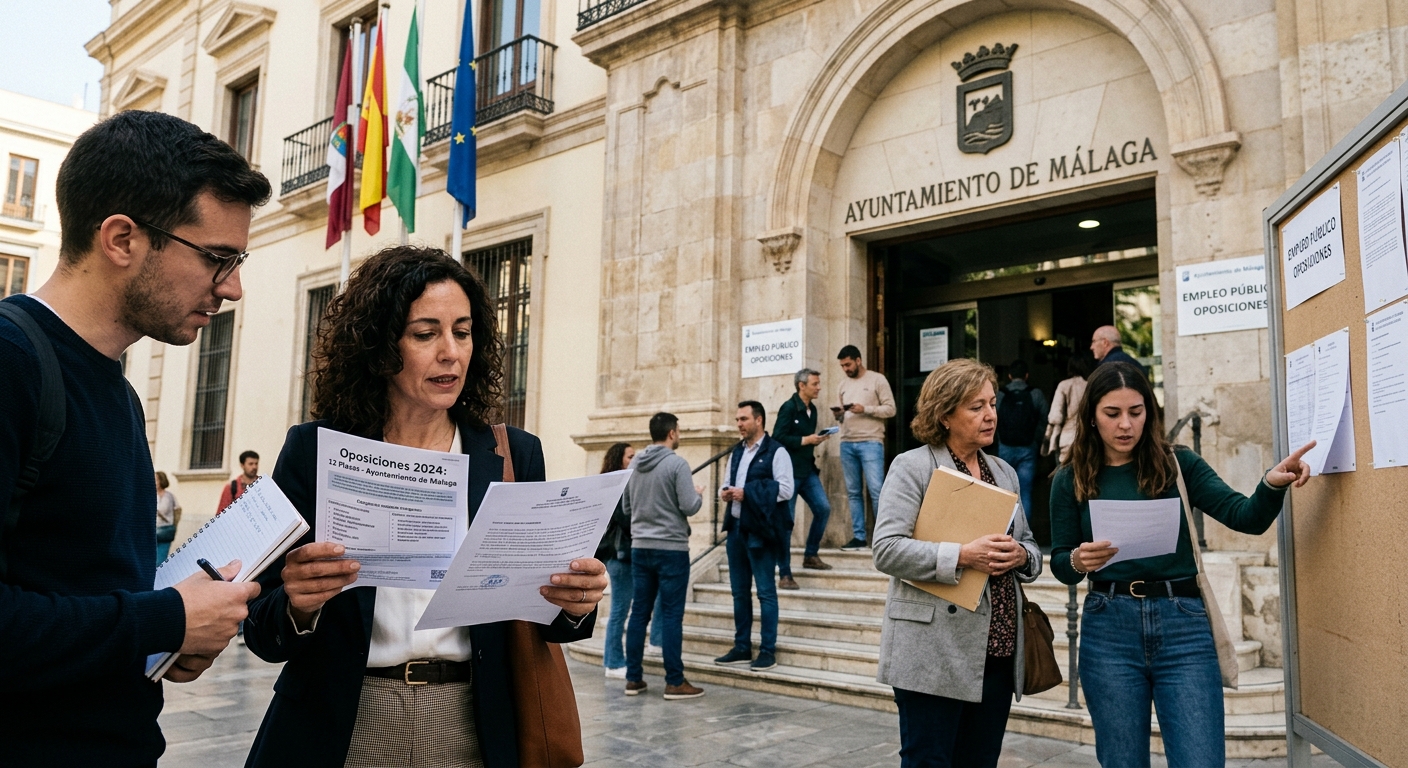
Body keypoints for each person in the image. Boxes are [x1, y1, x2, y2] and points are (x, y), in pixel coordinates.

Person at [242, 246, 606, 766]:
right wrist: (299, 604)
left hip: (475, 720)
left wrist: (576, 601)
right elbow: (260, 622)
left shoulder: (511, 453)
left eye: (462, 331)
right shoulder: (315, 449)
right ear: (379, 345)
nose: (451, 352)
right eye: (425, 333)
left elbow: (540, 613)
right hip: (341, 720)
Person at [0, 110, 267, 764]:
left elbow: (83, 588)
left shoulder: (116, 391)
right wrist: (166, 619)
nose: (232, 287)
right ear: (122, 239)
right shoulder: (11, 363)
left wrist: (174, 635)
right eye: (216, 258)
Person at [1050, 362, 1313, 767]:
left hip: (1183, 624)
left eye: (1136, 413)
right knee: (1122, 761)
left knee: (1200, 759)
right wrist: (1077, 559)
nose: (1125, 425)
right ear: (1091, 417)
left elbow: (1245, 516)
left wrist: (1271, 484)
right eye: (1112, 414)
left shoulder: (1178, 464)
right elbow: (1061, 564)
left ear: (1149, 414)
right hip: (1109, 627)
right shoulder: (1069, 479)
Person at [873, 358, 1042, 767]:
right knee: (929, 761)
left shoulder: (1003, 472)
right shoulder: (912, 466)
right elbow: (886, 549)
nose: (990, 415)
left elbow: (1032, 546)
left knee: (980, 761)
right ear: (945, 414)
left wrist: (1021, 556)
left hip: (998, 651)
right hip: (933, 651)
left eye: (992, 403)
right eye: (975, 406)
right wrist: (963, 555)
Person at [621, 412, 706, 700]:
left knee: (639, 614)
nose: (679, 435)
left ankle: (633, 678)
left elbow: (627, 508)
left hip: (640, 548)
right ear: (672, 433)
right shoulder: (677, 464)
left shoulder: (634, 465)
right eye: (679, 430)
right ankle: (674, 682)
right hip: (671, 549)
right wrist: (699, 494)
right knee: (670, 615)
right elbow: (689, 505)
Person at [713, 401, 794, 672]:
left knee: (766, 593)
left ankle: (767, 650)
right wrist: (725, 492)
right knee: (739, 592)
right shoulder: (737, 451)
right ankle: (742, 646)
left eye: (743, 419)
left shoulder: (777, 451)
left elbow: (786, 490)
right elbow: (726, 483)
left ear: (758, 420)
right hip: (735, 529)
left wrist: (747, 492)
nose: (739, 424)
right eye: (737, 419)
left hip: (760, 531)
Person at [596, 442, 664, 679]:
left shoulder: (628, 483)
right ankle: (613, 663)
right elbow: (625, 519)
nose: (635, 460)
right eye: (630, 456)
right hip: (620, 556)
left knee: (655, 597)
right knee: (619, 611)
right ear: (619, 460)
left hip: (632, 554)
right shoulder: (615, 486)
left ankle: (657, 642)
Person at [833, 345, 895, 550]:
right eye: (842, 366)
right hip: (847, 442)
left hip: (871, 442)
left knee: (877, 490)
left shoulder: (877, 379)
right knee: (853, 492)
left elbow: (891, 409)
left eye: (848, 364)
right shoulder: (842, 384)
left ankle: (883, 538)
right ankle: (859, 537)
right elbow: (841, 417)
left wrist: (865, 409)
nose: (846, 369)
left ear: (858, 360)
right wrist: (840, 414)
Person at [773, 367, 834, 576]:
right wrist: (805, 440)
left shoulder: (813, 410)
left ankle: (810, 554)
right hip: (789, 474)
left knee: (823, 508)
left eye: (818, 383)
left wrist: (815, 440)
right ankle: (784, 571)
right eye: (814, 384)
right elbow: (777, 437)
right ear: (802, 386)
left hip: (807, 471)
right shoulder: (788, 408)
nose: (819, 388)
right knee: (787, 522)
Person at [995, 359, 1048, 523]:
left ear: (1010, 376)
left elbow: (992, 418)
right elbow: (1046, 418)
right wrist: (1036, 438)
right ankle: (1026, 536)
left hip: (1005, 447)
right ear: (1026, 376)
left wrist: (999, 437)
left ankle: (1005, 532)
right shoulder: (1035, 393)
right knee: (1025, 492)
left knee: (1004, 492)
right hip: (1027, 449)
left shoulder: (1000, 394)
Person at [1045, 355, 1091, 463]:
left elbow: (1055, 416)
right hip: (1086, 438)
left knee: (1064, 475)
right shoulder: (1090, 386)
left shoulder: (1063, 385)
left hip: (1066, 437)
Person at [155, 471, 182, 565]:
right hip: (151, 531)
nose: (154, 482)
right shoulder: (151, 495)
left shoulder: (169, 496)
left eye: (156, 480)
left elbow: (177, 511)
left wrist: (174, 526)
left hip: (165, 531)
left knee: (160, 561)